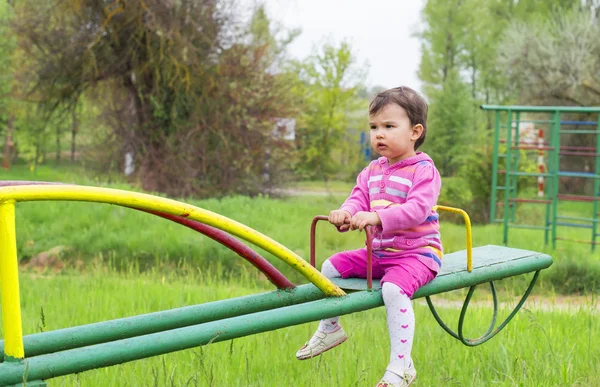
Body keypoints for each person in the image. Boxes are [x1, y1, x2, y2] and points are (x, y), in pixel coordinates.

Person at [295, 86, 442, 387]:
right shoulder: (372, 170)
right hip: (380, 253)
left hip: (418, 253)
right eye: (374, 127)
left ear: (415, 131)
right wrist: (345, 213)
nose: (379, 134)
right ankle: (330, 328)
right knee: (330, 268)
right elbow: (359, 197)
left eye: (389, 126)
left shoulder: (423, 171)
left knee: (392, 289)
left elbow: (416, 210)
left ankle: (400, 367)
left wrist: (378, 217)